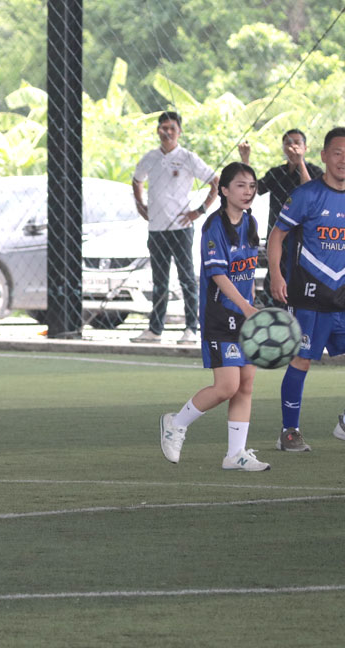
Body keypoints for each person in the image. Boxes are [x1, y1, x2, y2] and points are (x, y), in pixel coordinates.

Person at [159, 162, 269, 471]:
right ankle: (176, 423)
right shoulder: (213, 226)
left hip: (244, 315)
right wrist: (245, 307)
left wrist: (250, 304)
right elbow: (219, 275)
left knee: (246, 384)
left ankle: (236, 454)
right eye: (240, 185)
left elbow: (247, 272)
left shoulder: (250, 222)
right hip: (220, 317)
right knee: (226, 387)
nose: (248, 191)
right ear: (224, 190)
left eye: (252, 186)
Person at [266, 126, 345, 453]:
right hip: (309, 295)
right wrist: (275, 275)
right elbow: (276, 236)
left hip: (342, 295)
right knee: (302, 360)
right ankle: (290, 431)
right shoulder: (306, 195)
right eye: (337, 153)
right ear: (324, 156)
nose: (343, 160)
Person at [131, 111, 218, 345]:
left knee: (187, 278)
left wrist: (200, 210)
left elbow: (215, 181)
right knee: (159, 281)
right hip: (156, 228)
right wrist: (140, 205)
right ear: (158, 130)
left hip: (181, 228)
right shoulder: (150, 157)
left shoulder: (188, 157)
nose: (167, 132)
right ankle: (155, 330)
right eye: (163, 128)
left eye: (172, 128)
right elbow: (137, 180)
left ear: (179, 131)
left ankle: (191, 328)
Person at [238, 129, 323, 308]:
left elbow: (310, 193)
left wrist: (300, 163)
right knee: (275, 288)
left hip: (304, 239)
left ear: (305, 147)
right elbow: (253, 190)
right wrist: (245, 160)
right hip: (278, 237)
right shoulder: (277, 173)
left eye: (297, 142)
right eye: (288, 143)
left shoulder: (314, 171)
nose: (292, 146)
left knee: (301, 287)